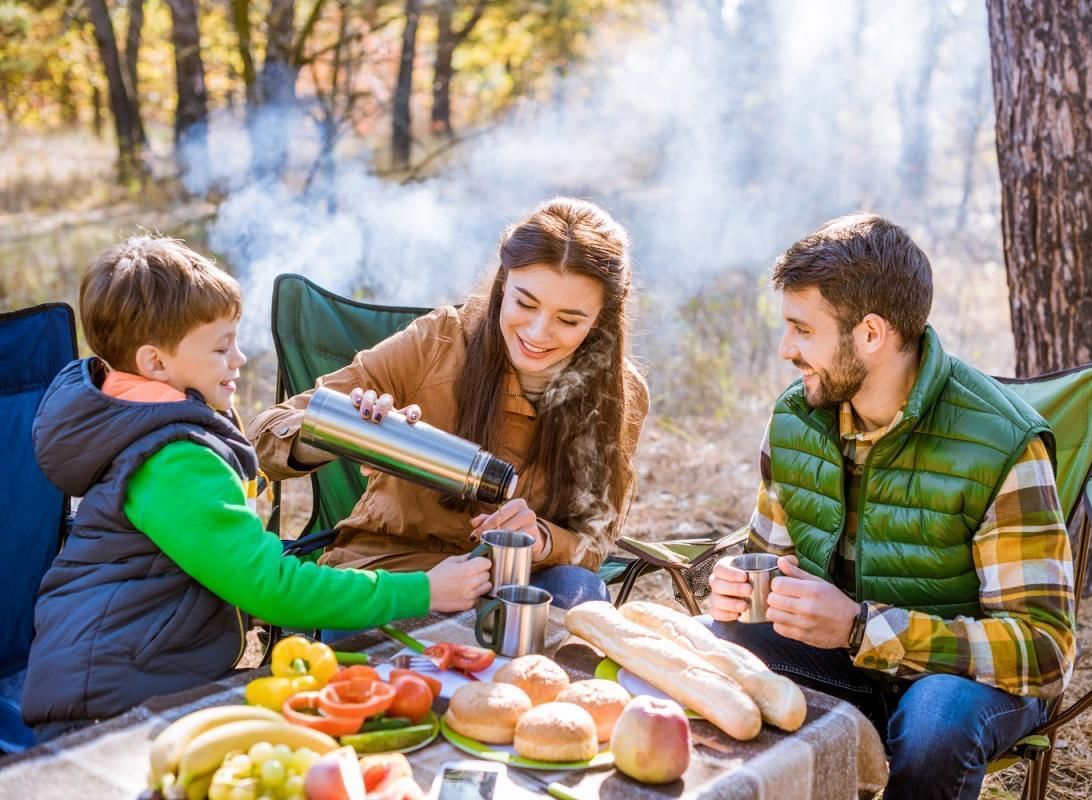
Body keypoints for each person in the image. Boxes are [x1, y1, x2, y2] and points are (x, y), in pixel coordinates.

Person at [22, 236, 489, 740]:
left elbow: (226, 509)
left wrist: (365, 442)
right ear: (156, 363)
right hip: (111, 702)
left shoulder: (146, 420)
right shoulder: (171, 459)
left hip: (131, 672)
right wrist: (425, 590)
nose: (240, 358)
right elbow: (271, 587)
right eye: (222, 347)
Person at [705, 214, 1076, 800]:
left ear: (871, 334)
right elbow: (768, 567)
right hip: (842, 662)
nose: (785, 350)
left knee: (935, 720)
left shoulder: (1003, 444)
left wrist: (859, 627)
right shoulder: (797, 419)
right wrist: (738, 592)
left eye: (803, 330)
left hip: (961, 685)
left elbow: (1045, 649)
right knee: (709, 644)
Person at [249, 197, 650, 610]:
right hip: (397, 574)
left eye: (569, 320)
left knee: (579, 594)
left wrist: (545, 540)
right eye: (524, 303)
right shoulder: (439, 342)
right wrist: (346, 432)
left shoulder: (617, 394)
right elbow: (262, 437)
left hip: (510, 581)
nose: (537, 332)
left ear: (602, 319)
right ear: (501, 287)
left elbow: (595, 538)